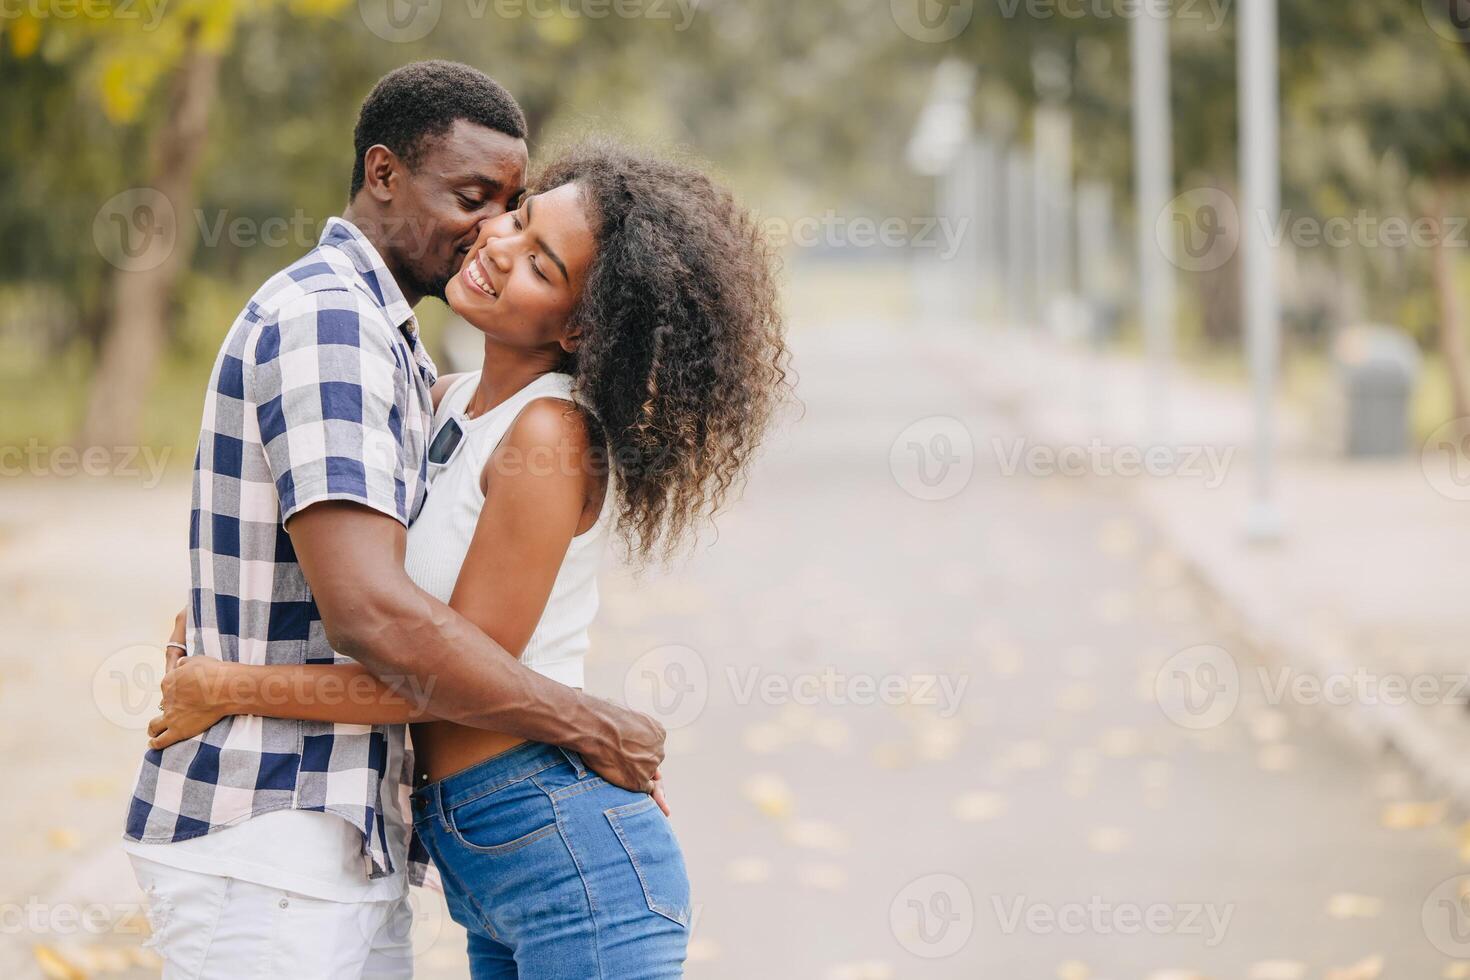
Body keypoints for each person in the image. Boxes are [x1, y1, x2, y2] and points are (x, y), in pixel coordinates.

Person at [149, 139, 790, 977]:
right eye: (517, 221)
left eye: (540, 266)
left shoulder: (548, 434)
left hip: (562, 842)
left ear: (580, 327)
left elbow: (431, 676)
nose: (498, 249)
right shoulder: (447, 402)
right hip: (483, 852)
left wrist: (227, 686)